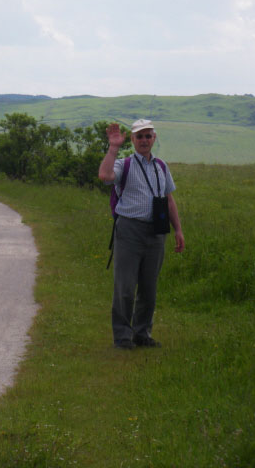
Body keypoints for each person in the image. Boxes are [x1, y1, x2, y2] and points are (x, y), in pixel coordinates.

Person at [98, 119, 185, 350]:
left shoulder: (161, 167)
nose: (144, 140)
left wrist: (178, 229)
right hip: (129, 231)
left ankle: (142, 334)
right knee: (125, 288)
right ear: (133, 140)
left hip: (156, 232)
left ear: (154, 138)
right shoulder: (123, 164)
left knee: (149, 288)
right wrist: (113, 147)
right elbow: (105, 175)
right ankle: (123, 338)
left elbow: (168, 198)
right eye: (140, 137)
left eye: (148, 136)